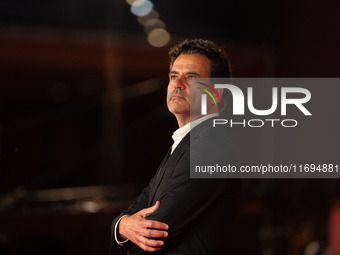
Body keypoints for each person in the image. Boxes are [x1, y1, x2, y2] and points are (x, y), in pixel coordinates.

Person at [111, 39, 241, 254]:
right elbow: (141, 204)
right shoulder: (187, 143)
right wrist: (122, 225)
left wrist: (123, 227)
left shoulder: (209, 148)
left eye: (191, 77)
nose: (178, 84)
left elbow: (153, 233)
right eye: (174, 76)